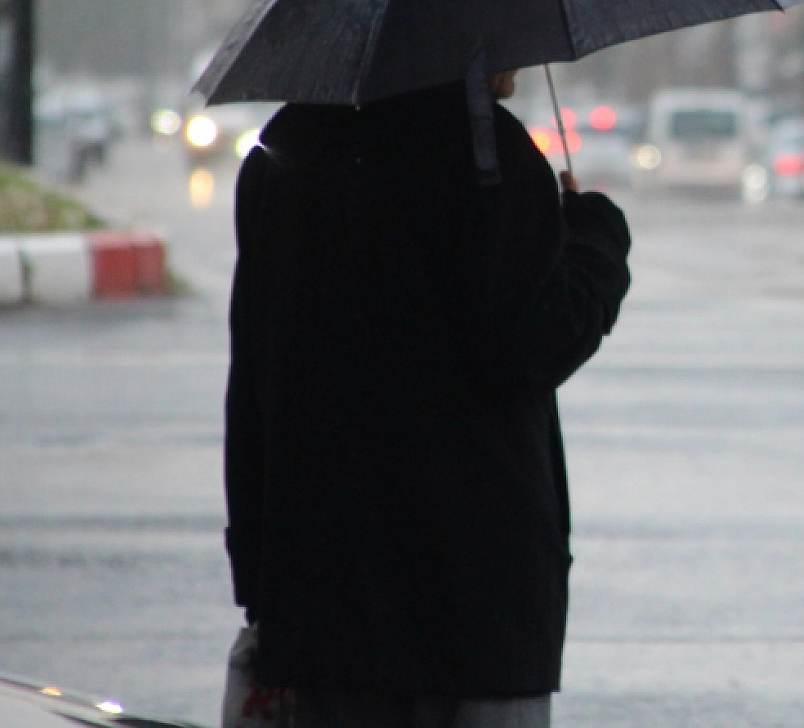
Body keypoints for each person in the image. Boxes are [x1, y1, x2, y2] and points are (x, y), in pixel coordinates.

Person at [223, 68, 632, 728]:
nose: (519, 61)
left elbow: (252, 377)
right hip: (476, 605)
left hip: (323, 590)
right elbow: (534, 342)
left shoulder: (287, 150)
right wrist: (597, 241)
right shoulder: (488, 158)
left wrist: (259, 575)